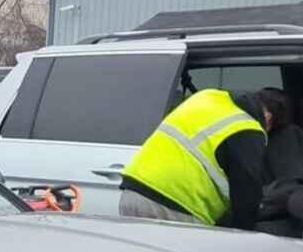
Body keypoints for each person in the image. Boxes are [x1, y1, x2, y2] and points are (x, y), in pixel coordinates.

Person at [119, 87, 284, 230]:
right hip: (176, 208)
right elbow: (246, 193)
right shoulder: (248, 128)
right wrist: (243, 236)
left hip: (132, 194)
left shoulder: (207, 96)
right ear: (268, 118)